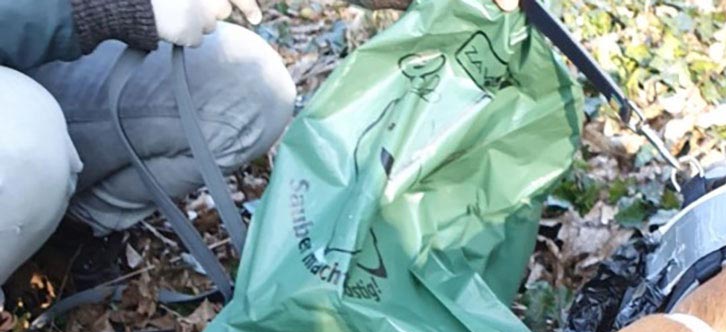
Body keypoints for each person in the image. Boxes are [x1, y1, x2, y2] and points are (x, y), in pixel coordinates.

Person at [0, 0, 516, 311]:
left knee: (249, 88)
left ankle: (57, 246)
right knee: (27, 148)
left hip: (42, 57)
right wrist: (108, 10)